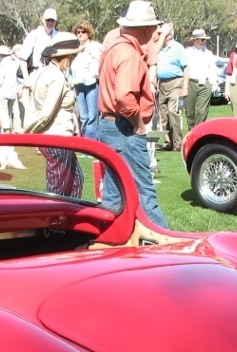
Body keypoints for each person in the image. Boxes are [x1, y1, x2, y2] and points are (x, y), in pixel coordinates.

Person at [96, 0, 167, 228]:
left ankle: (105, 239)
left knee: (113, 194)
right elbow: (125, 97)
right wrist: (137, 123)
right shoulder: (129, 55)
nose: (155, 33)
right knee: (144, 192)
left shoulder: (114, 49)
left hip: (108, 125)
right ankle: (166, 245)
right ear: (146, 29)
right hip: (124, 127)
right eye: (153, 29)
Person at [24, 31, 82, 196]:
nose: (73, 60)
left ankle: (68, 218)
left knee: (75, 181)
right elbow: (46, 113)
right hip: (56, 137)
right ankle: (52, 220)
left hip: (57, 137)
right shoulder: (56, 76)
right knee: (58, 188)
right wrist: (27, 132)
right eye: (72, 56)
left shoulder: (44, 72)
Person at [154, 23, 185, 151]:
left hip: (176, 82)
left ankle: (178, 142)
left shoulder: (178, 48)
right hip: (161, 83)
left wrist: (185, 86)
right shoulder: (158, 48)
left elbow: (186, 67)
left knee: (173, 111)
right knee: (164, 114)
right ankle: (168, 142)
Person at [69, 20, 101, 139]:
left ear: (89, 33)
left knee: (92, 115)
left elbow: (100, 62)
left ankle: (91, 143)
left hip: (92, 83)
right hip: (78, 84)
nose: (80, 34)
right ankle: (85, 142)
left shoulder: (94, 46)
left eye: (83, 32)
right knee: (83, 116)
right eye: (78, 32)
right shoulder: (74, 49)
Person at [183, 28, 216, 129]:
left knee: (201, 112)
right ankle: (192, 133)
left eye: (205, 40)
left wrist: (212, 83)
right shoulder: (187, 53)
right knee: (190, 113)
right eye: (202, 39)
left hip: (204, 84)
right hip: (191, 83)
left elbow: (213, 69)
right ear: (195, 40)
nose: (204, 42)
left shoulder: (208, 53)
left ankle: (199, 132)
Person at [21, 7, 58, 72]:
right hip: (37, 71)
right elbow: (23, 58)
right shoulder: (34, 34)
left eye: (52, 20)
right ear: (43, 20)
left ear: (55, 22)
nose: (50, 23)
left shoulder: (59, 36)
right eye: (48, 20)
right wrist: (26, 79)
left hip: (54, 72)